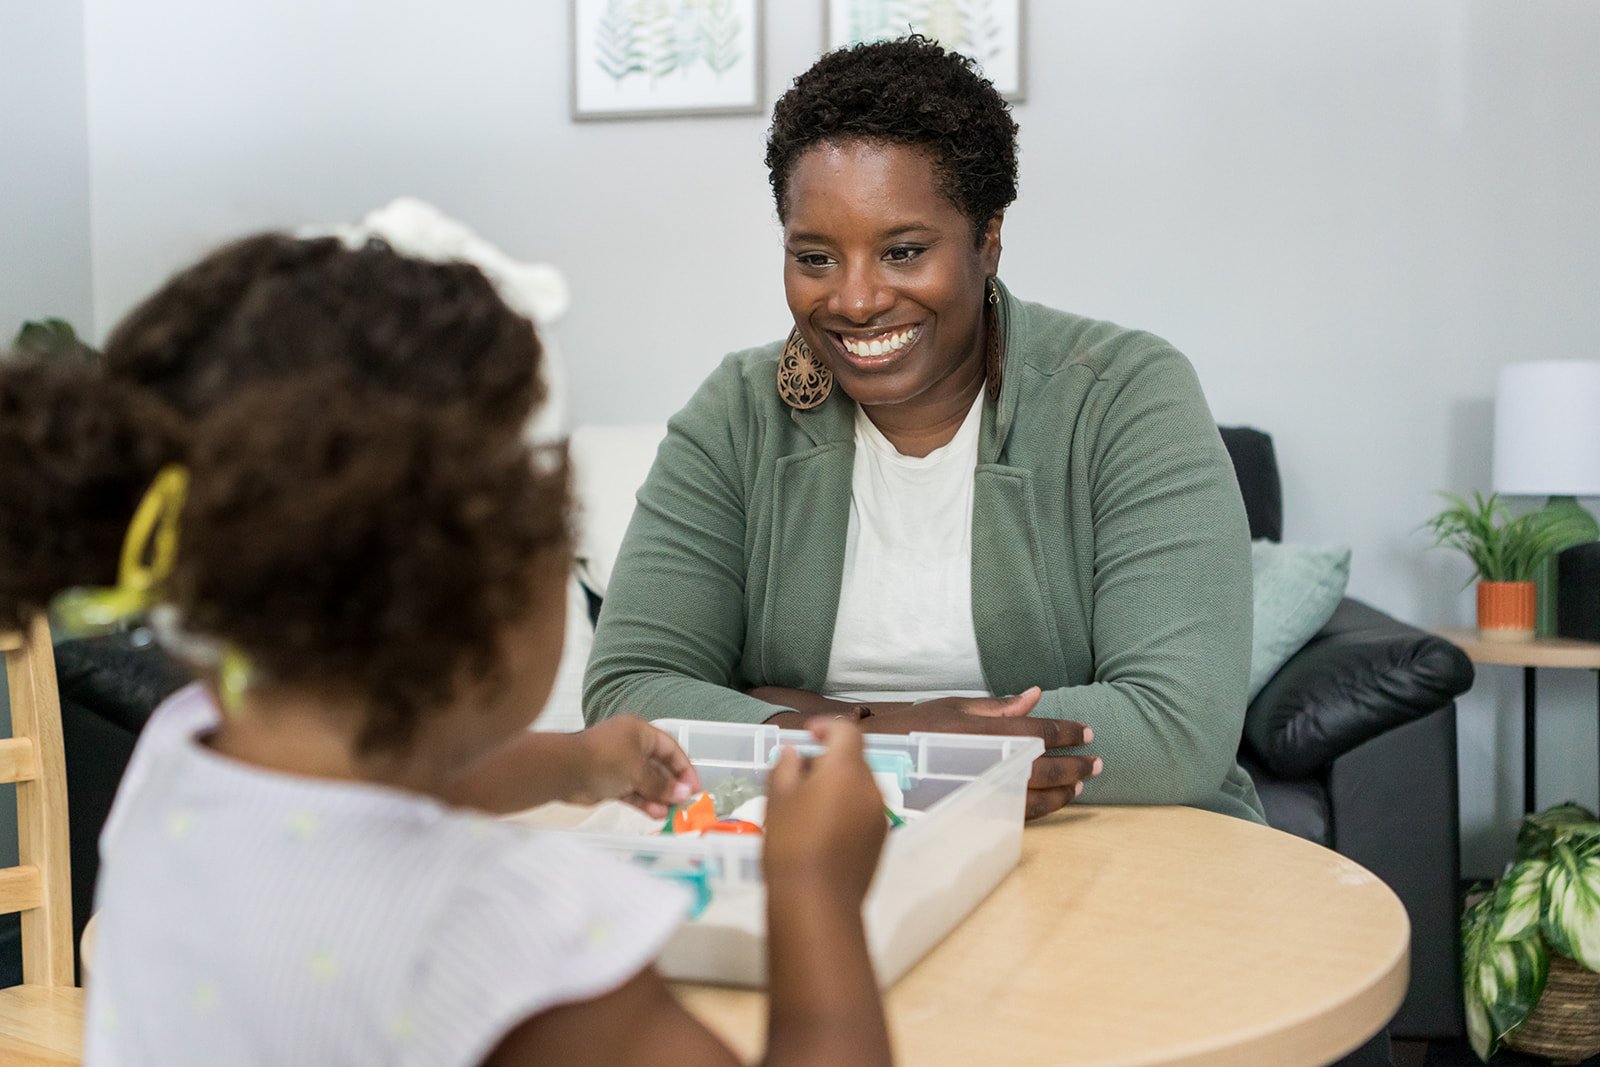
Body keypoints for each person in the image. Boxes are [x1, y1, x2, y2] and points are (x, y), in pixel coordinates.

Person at [0, 237, 893, 1065]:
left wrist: (579, 763)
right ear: (487, 588)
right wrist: (815, 893)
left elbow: (376, 784)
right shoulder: (510, 929)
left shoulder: (179, 758)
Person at [585, 36, 1265, 824]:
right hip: (812, 849)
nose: (858, 299)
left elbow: (1176, 729)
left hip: (1108, 842)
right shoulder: (738, 412)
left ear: (988, 239)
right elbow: (626, 697)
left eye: (903, 251)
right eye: (815, 257)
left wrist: (786, 716)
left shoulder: (1125, 396)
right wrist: (894, 735)